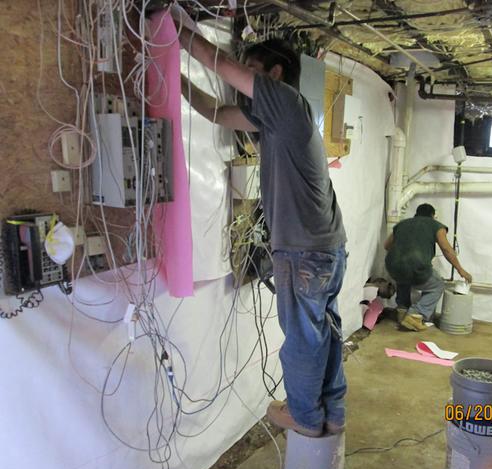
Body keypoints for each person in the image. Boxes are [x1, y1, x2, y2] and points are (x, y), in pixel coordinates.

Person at [176, 25, 347, 438]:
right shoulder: (273, 121)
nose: (241, 83)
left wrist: (178, 30)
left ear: (273, 74)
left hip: (303, 251)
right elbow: (215, 113)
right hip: (324, 246)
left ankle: (306, 417)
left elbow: (224, 67)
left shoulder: (287, 102)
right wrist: (174, 75)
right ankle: (331, 410)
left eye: (251, 72)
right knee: (325, 331)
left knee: (303, 338)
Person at [384, 203, 472, 331]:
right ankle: (415, 314)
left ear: (416, 214)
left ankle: (402, 311)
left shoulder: (401, 224)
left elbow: (387, 246)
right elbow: (447, 250)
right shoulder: (436, 226)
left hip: (392, 265)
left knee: (403, 276)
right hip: (416, 265)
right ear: (432, 215)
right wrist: (461, 270)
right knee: (437, 285)